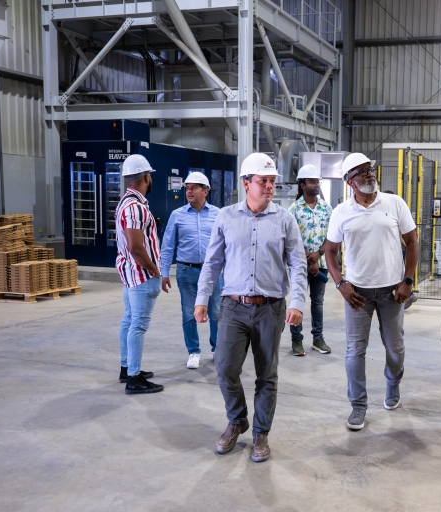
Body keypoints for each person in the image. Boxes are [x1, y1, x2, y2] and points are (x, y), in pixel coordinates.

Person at [194, 153, 307, 462]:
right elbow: (212, 263)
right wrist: (202, 299)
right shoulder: (226, 217)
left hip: (271, 308)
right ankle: (237, 419)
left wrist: (297, 302)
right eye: (263, 181)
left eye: (272, 181)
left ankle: (260, 433)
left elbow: (298, 265)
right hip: (233, 307)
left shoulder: (285, 219)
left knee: (266, 374)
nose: (269, 186)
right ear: (246, 183)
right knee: (224, 369)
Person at [324, 153, 419, 431]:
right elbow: (330, 250)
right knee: (355, 351)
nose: (369, 174)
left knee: (395, 348)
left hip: (393, 292)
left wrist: (408, 280)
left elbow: (412, 242)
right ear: (349, 182)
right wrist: (340, 283)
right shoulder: (341, 212)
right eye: (361, 172)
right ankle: (358, 405)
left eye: (370, 169)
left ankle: (393, 383)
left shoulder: (394, 203)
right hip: (357, 294)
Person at [159, 172, 223, 369]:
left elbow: (227, 244)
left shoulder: (218, 214)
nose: (189, 191)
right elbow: (167, 245)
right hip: (187, 271)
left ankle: (217, 349)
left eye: (194, 188)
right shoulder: (177, 215)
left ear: (205, 191)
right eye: (187, 188)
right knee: (188, 312)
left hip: (213, 272)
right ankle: (193, 351)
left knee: (216, 312)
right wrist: (164, 273)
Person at [115, 154, 164, 395]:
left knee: (129, 320)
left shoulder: (126, 203)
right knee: (138, 325)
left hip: (130, 274)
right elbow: (136, 247)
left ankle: (127, 368)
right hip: (141, 275)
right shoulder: (135, 207)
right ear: (146, 177)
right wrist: (154, 269)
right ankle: (134, 378)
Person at [288, 164, 333, 356]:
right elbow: (292, 238)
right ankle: (296, 340)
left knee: (318, 302)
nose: (316, 185)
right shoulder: (293, 210)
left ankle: (318, 338)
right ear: (302, 185)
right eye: (312, 182)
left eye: (317, 182)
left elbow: (332, 236)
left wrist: (318, 255)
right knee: (297, 300)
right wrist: (309, 259)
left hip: (321, 263)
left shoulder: (327, 209)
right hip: (299, 264)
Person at [384, 190, 417, 310]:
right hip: (395, 249)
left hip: (397, 250)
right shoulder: (386, 214)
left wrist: (404, 243)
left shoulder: (396, 211)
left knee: (398, 273)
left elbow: (409, 238)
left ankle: (408, 295)